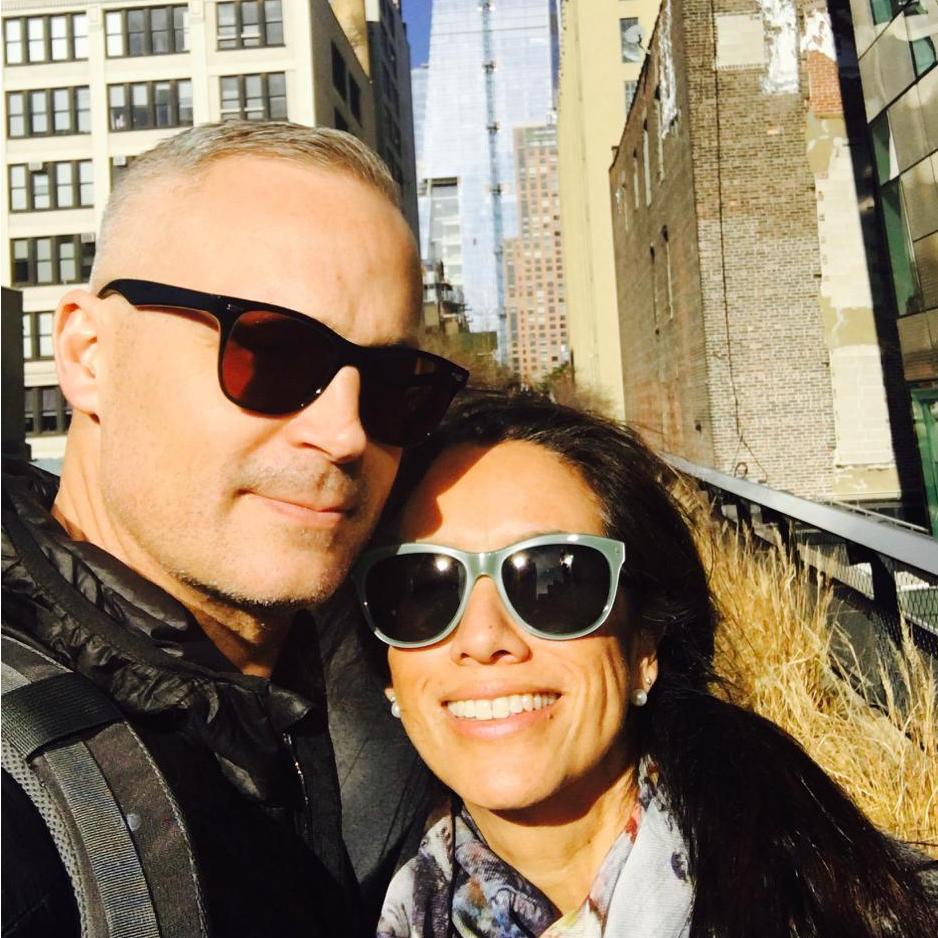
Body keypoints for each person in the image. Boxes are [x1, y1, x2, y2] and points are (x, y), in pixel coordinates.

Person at [2, 120, 466, 937]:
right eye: (273, 353)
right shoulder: (23, 815)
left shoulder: (390, 671)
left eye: (395, 383)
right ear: (87, 354)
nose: (346, 433)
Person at [354, 392, 938, 938]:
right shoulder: (349, 903)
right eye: (424, 590)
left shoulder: (851, 901)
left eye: (555, 581)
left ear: (645, 646)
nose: (484, 638)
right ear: (389, 675)